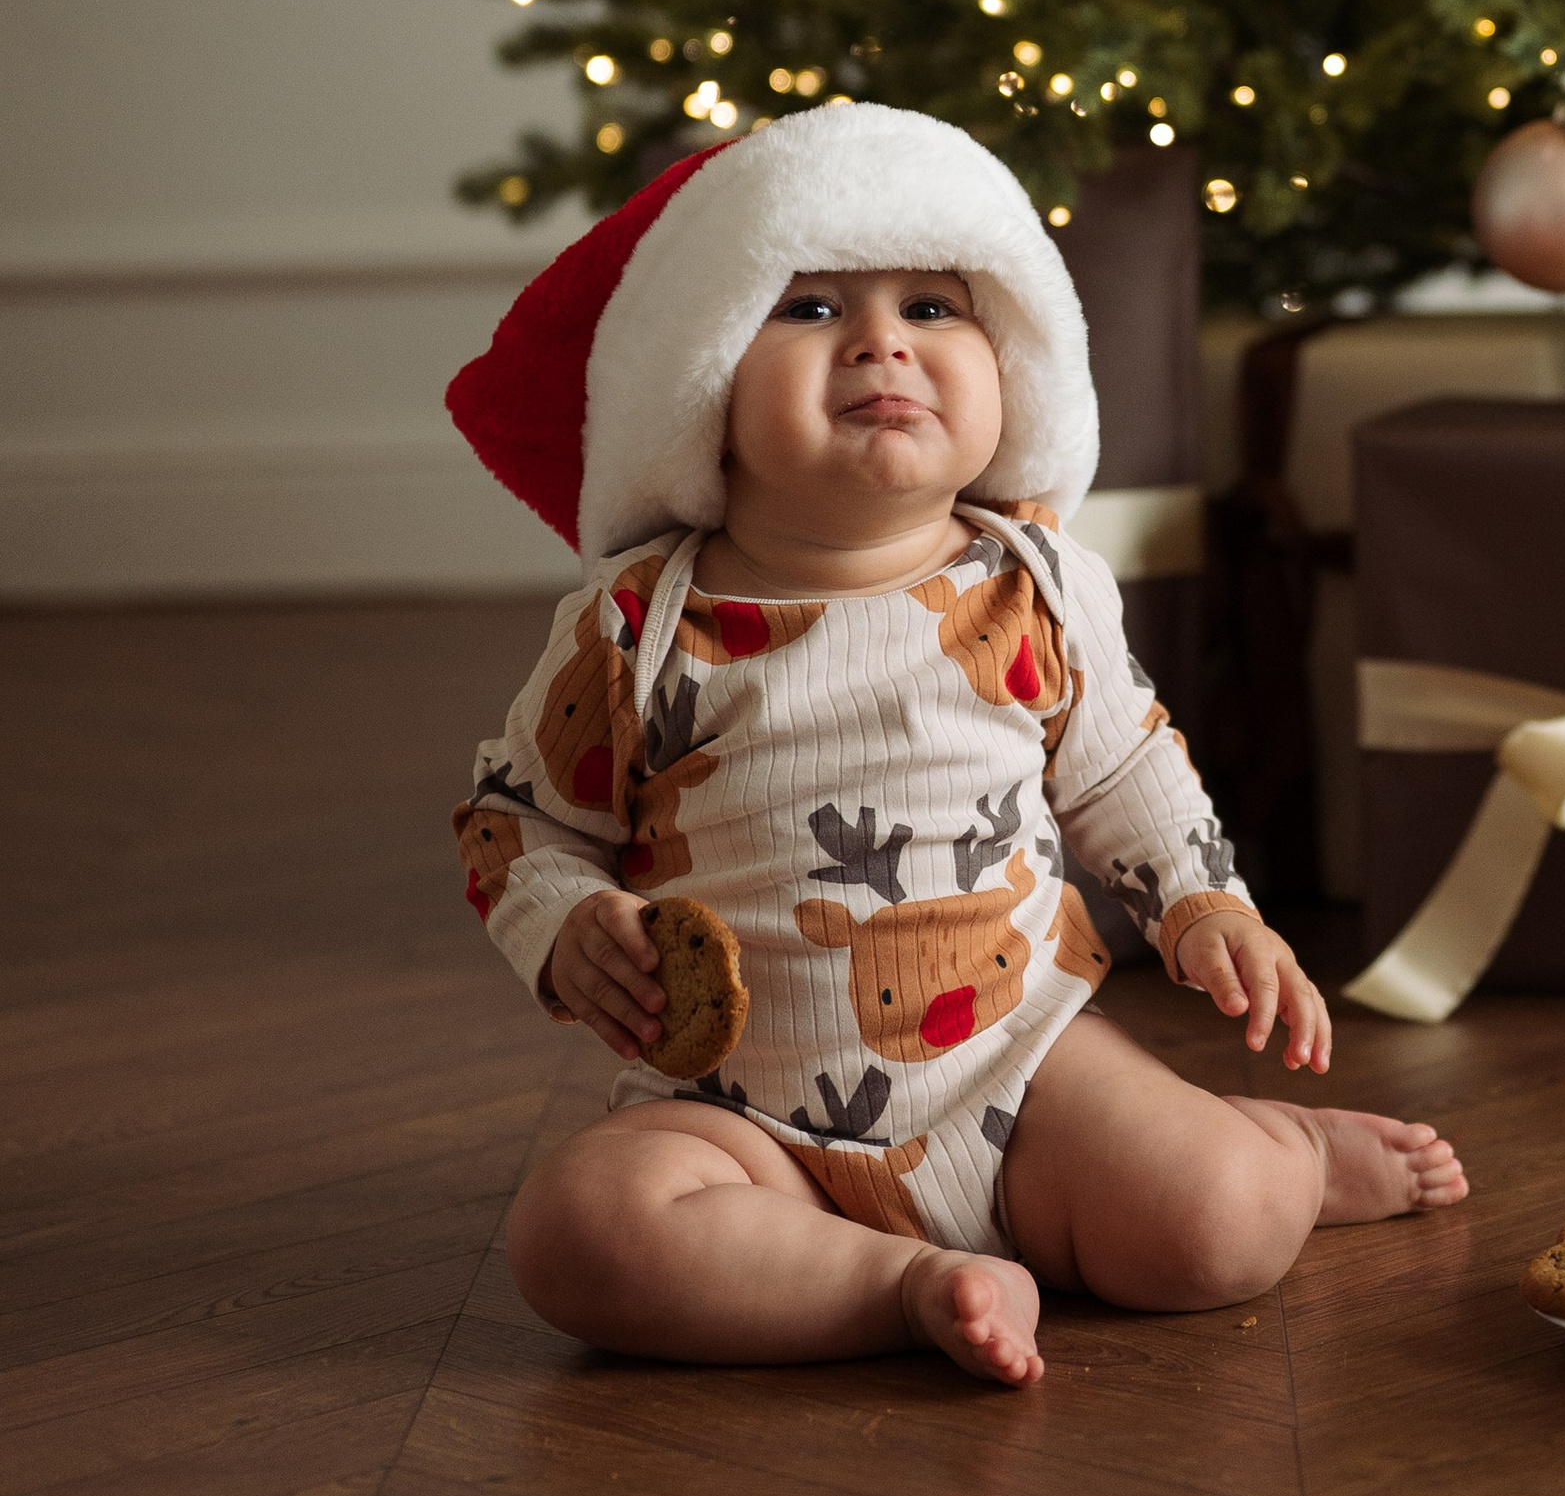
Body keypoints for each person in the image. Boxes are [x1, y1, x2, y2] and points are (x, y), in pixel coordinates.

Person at [446, 106, 1465, 1388]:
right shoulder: (637, 623)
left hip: (1018, 1068)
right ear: (700, 376)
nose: (882, 337)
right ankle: (906, 1285)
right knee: (577, 1233)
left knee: (1217, 1222)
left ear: (1013, 360)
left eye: (934, 302)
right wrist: (568, 918)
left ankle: (1292, 1157)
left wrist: (1206, 899)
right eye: (809, 306)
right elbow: (514, 819)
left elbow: (1120, 764)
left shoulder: (1031, 581)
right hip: (737, 1119)